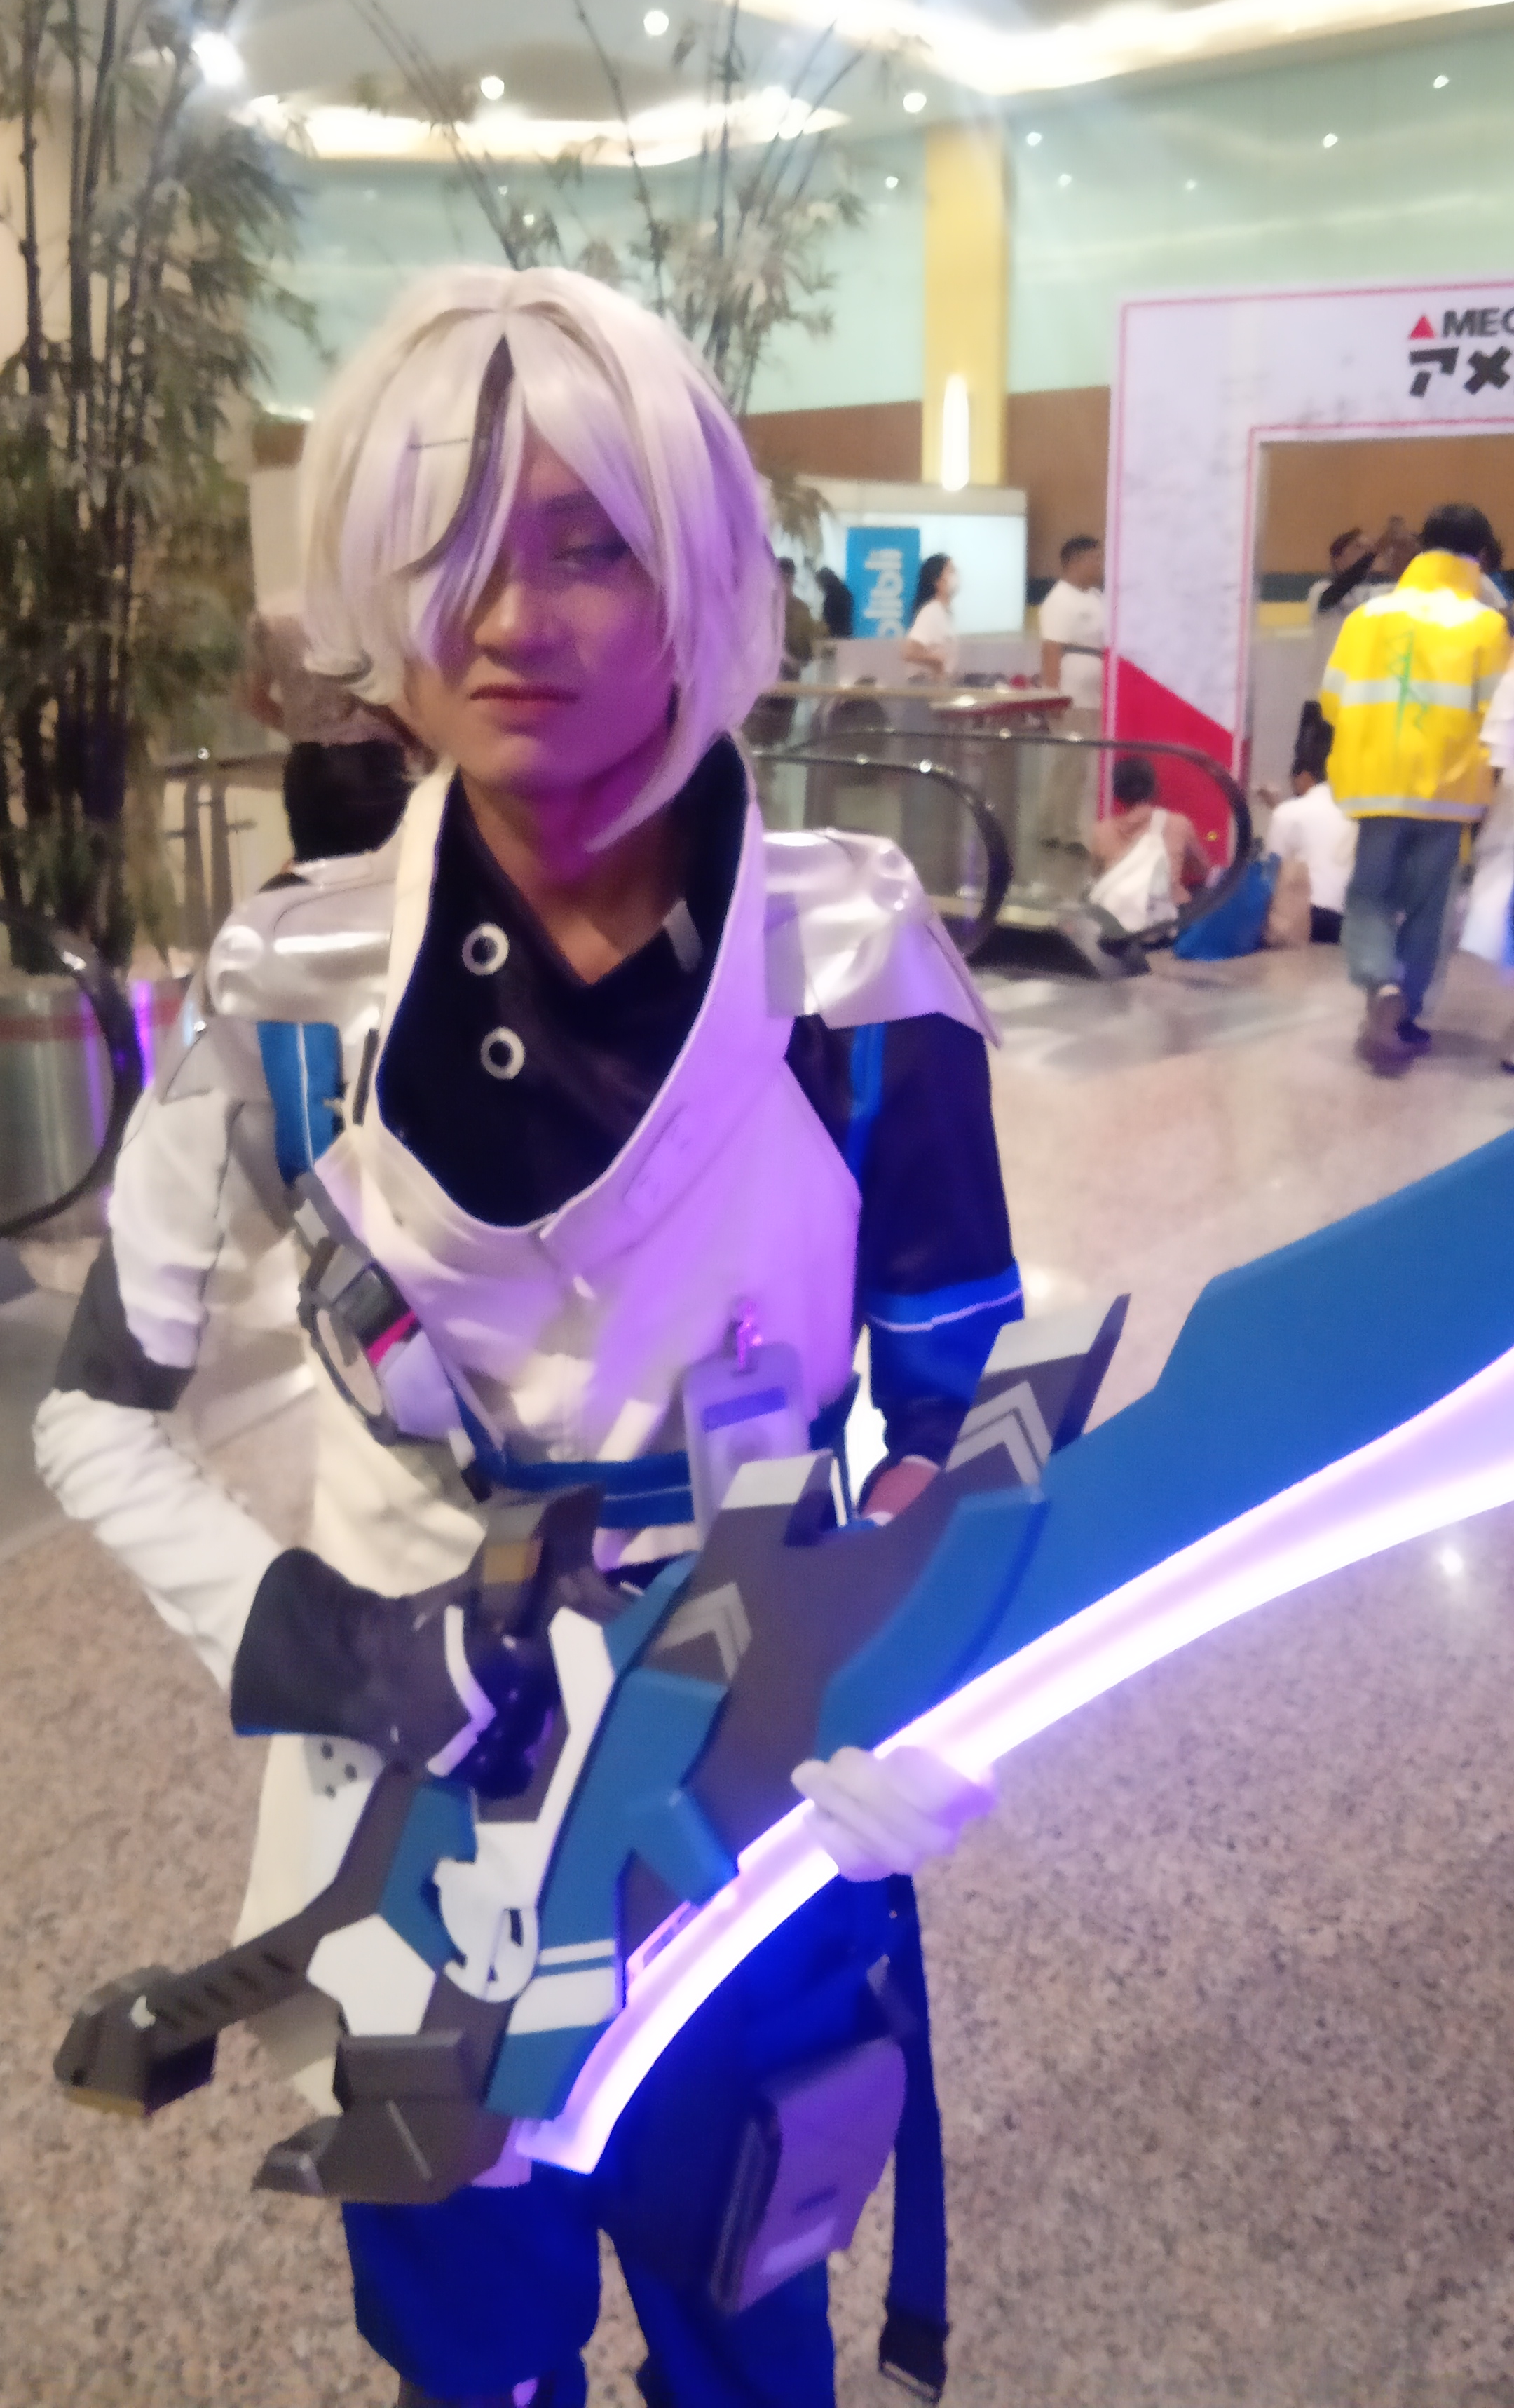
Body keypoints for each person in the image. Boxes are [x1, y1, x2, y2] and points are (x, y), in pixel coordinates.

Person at [34, 266, 1021, 2408]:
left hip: (745, 1795)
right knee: (469, 2355)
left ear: (699, 579)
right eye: (458, 544)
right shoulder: (288, 989)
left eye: (589, 547)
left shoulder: (853, 958)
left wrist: (915, 1675)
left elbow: (967, 1413)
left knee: (749, 2331)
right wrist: (326, 1639)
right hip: (410, 1830)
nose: (510, 615)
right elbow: (95, 1417)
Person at [1321, 501, 1509, 1068]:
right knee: (1431, 909)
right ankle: (1410, 1016)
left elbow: (1332, 700)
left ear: (1423, 546)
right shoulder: (1486, 625)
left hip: (1375, 782)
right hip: (1450, 793)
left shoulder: (1368, 617)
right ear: (1481, 555)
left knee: (1369, 896)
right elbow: (1498, 717)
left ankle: (1380, 984)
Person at [243, 586, 413, 860]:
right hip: (376, 761)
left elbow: (253, 701)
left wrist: (304, 728)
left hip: (309, 764)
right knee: (390, 867)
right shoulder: (377, 606)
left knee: (317, 867)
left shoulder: (270, 617)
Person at [1262, 712, 1356, 944]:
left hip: (1306, 916)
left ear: (1304, 777)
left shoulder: (1289, 812)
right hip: (1346, 920)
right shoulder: (1354, 810)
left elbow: (1273, 867)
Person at [1086, 754, 1209, 930]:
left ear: (1116, 792)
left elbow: (1092, 875)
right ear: (1154, 788)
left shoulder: (1099, 832)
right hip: (1168, 923)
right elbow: (1201, 869)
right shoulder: (1179, 824)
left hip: (1117, 924)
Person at [1037, 535, 1105, 848]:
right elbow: (1051, 650)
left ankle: (1057, 826)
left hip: (1093, 695)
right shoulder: (1059, 600)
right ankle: (1062, 830)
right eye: (1095, 558)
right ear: (1076, 561)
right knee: (1069, 764)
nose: (1100, 565)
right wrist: (1053, 696)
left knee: (1078, 767)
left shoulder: (1095, 597)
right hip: (1072, 694)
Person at [902, 552, 957, 679]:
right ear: (938, 581)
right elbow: (909, 652)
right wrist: (936, 662)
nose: (956, 577)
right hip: (925, 686)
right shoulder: (931, 612)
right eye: (951, 571)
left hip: (940, 685)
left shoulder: (945, 614)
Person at [776, 554, 824, 675]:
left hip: (792, 672)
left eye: (786, 579)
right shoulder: (768, 607)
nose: (783, 584)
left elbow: (808, 644)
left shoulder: (801, 609)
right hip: (775, 673)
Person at [816, 564, 854, 639]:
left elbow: (828, 619)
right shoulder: (845, 592)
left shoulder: (831, 597)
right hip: (846, 633)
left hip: (834, 635)